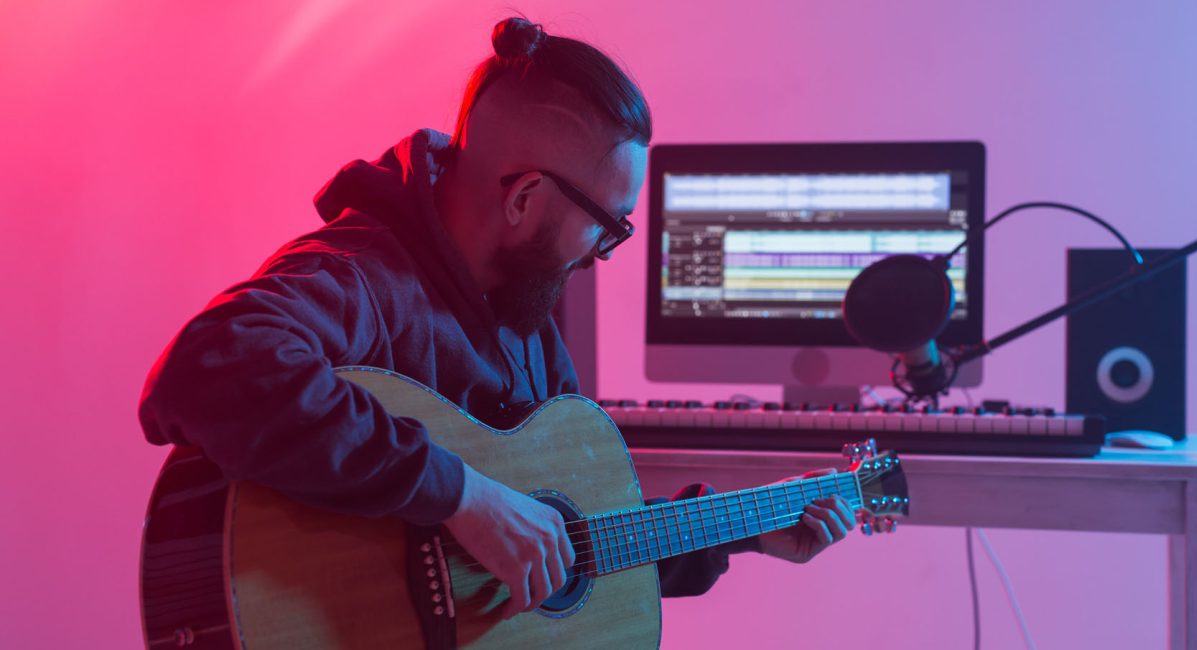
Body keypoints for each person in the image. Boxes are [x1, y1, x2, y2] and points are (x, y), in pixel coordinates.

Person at [138, 17, 863, 620]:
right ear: (523, 199)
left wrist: (742, 533)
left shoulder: (524, 317)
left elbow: (570, 544)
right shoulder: (363, 274)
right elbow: (209, 367)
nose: (602, 255)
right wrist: (463, 495)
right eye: (608, 226)